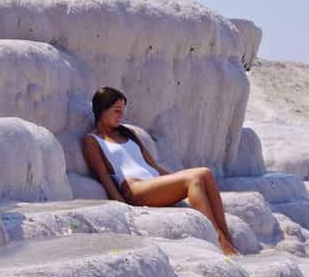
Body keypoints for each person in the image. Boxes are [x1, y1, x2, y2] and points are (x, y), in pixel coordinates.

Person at [82, 87, 239, 256]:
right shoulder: (92, 140)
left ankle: (226, 238)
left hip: (153, 184)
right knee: (193, 179)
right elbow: (104, 176)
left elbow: (153, 166)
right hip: (135, 189)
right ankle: (217, 240)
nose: (121, 115)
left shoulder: (128, 134)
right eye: (116, 110)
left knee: (205, 173)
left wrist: (175, 179)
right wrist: (122, 205)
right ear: (101, 110)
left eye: (123, 110)